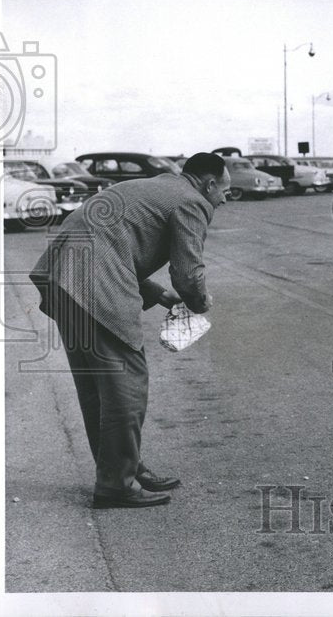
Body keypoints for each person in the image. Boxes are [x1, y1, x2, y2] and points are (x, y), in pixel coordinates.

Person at [29, 152, 230, 509]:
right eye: (224, 190)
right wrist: (199, 303)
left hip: (62, 275)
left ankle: (124, 469)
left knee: (98, 385)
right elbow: (187, 272)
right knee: (126, 382)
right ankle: (116, 484)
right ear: (209, 184)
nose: (225, 198)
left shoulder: (161, 187)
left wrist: (161, 296)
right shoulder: (192, 201)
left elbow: (118, 240)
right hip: (93, 282)